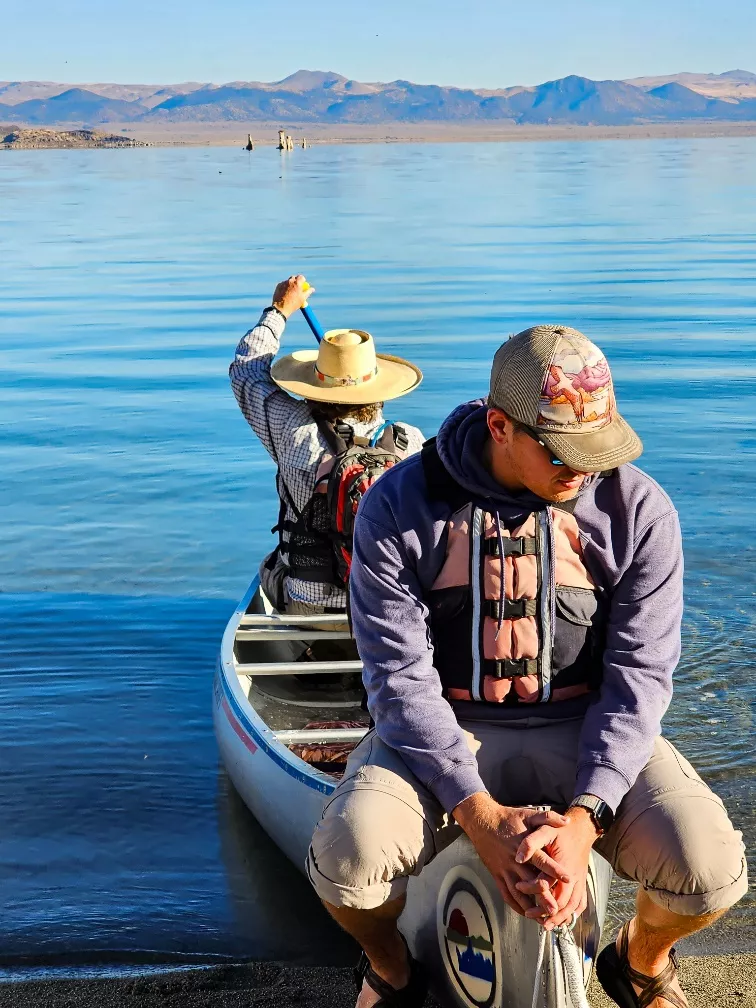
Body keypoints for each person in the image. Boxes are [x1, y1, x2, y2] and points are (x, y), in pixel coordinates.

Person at [306, 324, 748, 1008]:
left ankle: (637, 961)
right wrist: (479, 816)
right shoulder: (398, 506)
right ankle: (390, 968)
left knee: (711, 869)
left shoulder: (639, 512)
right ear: (499, 427)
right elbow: (398, 681)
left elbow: (639, 679)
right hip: (439, 734)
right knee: (348, 860)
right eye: (566, 452)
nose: (586, 468)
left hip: (583, 729)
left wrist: (583, 820)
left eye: (598, 448)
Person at [230, 274, 425, 621]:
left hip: (309, 606)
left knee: (270, 567)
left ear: (314, 384)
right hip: (386, 610)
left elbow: (246, 372)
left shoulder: (291, 428)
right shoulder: (409, 441)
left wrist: (279, 310)